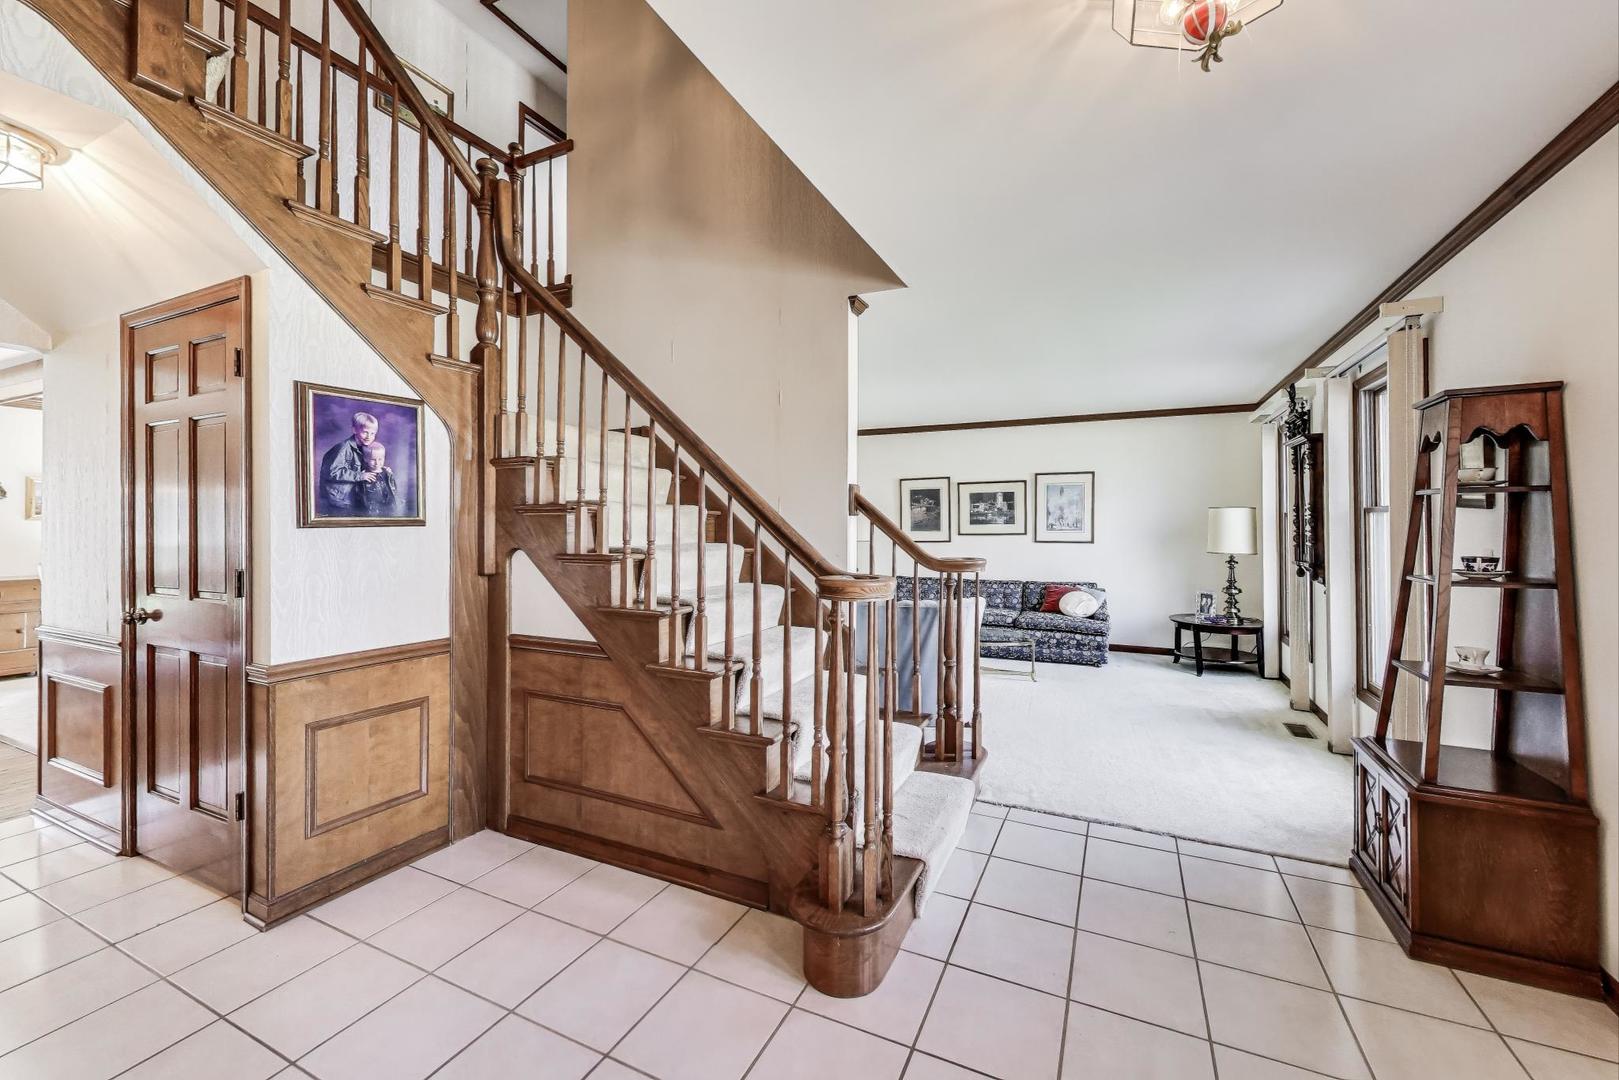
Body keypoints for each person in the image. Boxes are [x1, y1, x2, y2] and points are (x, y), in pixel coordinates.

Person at [319, 411, 383, 515]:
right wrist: (360, 476)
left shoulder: (365, 448)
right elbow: (331, 472)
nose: (369, 437)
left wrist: (382, 469)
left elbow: (366, 466)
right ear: (354, 430)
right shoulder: (342, 448)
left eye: (373, 434)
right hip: (338, 501)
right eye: (365, 432)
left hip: (353, 498)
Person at [357, 441, 400, 517]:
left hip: (389, 508)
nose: (377, 463)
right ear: (366, 459)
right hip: (372, 510)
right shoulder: (364, 475)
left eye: (380, 459)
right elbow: (359, 494)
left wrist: (390, 475)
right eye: (373, 460)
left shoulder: (387, 473)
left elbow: (393, 488)